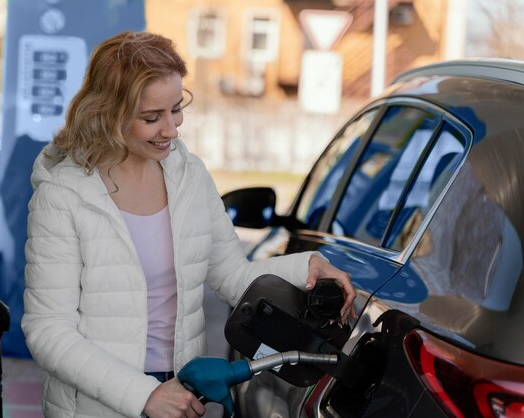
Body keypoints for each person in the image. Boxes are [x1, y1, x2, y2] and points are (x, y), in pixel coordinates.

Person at [22, 31, 356, 418]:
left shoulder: (188, 175)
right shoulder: (64, 193)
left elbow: (230, 274)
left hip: (182, 392)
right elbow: (48, 330)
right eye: (152, 117)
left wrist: (305, 266)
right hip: (96, 404)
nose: (171, 129)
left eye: (176, 109)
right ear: (108, 113)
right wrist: (144, 394)